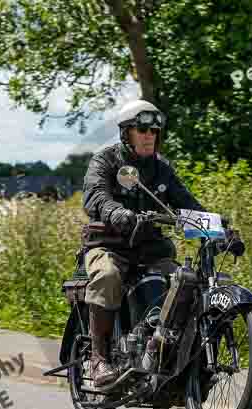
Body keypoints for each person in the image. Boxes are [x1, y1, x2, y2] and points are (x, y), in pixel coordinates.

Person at [81, 99, 206, 387]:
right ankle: (98, 358)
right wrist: (117, 212)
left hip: (150, 251)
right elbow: (96, 195)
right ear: (127, 132)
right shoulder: (106, 161)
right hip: (110, 246)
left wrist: (221, 229)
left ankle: (163, 352)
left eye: (154, 130)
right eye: (142, 129)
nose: (150, 135)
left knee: (182, 284)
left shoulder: (161, 169)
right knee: (107, 276)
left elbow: (187, 205)